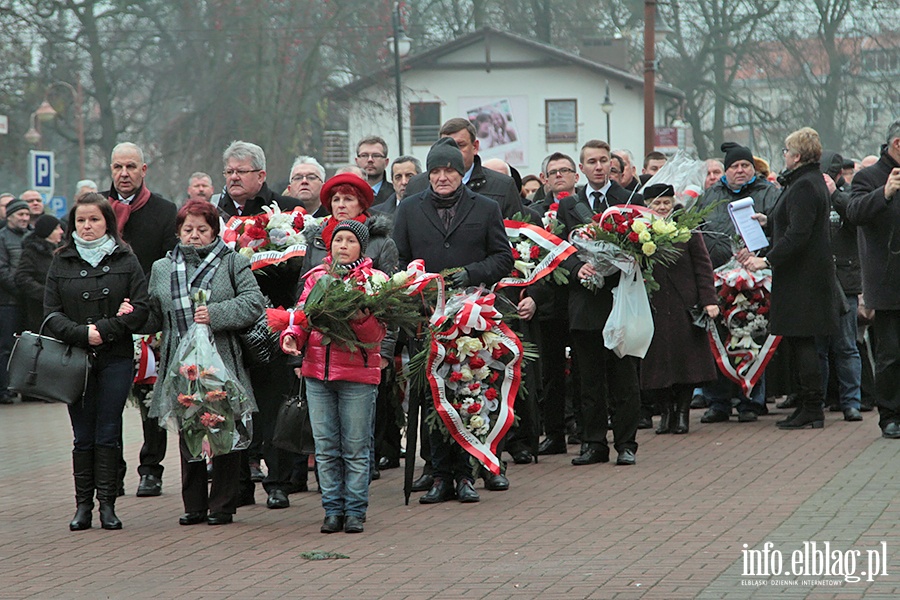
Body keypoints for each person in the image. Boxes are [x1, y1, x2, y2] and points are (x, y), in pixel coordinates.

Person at [393, 137, 513, 503]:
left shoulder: (486, 207)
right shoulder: (410, 209)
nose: (442, 177)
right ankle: (439, 474)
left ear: (461, 173)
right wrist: (416, 286)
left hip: (471, 316)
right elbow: (398, 261)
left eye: (449, 170)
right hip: (427, 316)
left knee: (467, 390)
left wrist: (471, 273)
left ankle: (466, 474)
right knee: (434, 396)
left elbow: (503, 258)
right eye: (436, 171)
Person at [144, 200, 265, 526]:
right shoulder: (162, 268)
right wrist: (135, 314)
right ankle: (194, 505)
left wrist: (216, 314)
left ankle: (223, 505)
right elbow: (155, 313)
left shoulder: (232, 263)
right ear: (178, 232)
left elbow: (254, 304)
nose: (194, 236)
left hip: (220, 358)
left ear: (214, 231)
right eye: (188, 230)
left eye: (202, 230)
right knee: (189, 429)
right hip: (179, 361)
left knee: (221, 427)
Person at [44, 193, 150, 530]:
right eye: (81, 221)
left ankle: (107, 504)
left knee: (108, 430)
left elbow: (142, 308)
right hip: (74, 359)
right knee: (82, 434)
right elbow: (50, 314)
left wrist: (104, 330)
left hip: (114, 357)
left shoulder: (125, 259)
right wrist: (81, 334)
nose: (87, 227)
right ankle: (82, 506)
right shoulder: (61, 261)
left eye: (94, 220)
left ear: (108, 222)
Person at [281, 220, 388, 534]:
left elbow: (377, 333)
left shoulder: (374, 281)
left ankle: (355, 510)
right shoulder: (316, 278)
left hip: (357, 375)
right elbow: (301, 315)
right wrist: (291, 337)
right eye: (338, 240)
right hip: (318, 373)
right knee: (326, 447)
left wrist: (360, 317)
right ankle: (332, 510)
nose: (342, 245)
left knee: (355, 447)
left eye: (350, 240)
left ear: (361, 247)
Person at [215, 140, 303, 509]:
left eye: (241, 171)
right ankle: (238, 483)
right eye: (229, 172)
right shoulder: (214, 213)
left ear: (261, 175)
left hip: (272, 324)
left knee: (275, 403)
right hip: (231, 325)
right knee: (234, 405)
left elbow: (299, 265)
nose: (234, 178)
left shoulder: (283, 212)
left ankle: (278, 481)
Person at [738, 127, 842, 430]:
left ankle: (812, 407)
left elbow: (799, 234)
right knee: (799, 341)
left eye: (786, 150)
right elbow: (796, 221)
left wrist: (766, 259)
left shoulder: (805, 185)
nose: (783, 154)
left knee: (803, 341)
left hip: (804, 278)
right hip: (802, 276)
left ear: (796, 156)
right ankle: (808, 406)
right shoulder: (804, 181)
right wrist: (769, 220)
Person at [558, 139, 643, 466]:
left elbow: (645, 247)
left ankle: (626, 444)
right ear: (581, 168)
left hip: (620, 298)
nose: (597, 166)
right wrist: (578, 267)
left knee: (624, 376)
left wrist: (628, 261)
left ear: (612, 164)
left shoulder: (629, 200)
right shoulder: (569, 205)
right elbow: (558, 250)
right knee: (588, 379)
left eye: (603, 160)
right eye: (590, 161)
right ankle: (593, 443)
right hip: (585, 302)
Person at [107, 142, 178, 499]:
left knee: (151, 400)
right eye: (118, 167)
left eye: (131, 166)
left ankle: (151, 469)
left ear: (144, 169)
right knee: (109, 402)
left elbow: (168, 265)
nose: (124, 174)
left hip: (149, 319)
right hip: (105, 321)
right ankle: (111, 472)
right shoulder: (97, 207)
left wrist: (147, 307)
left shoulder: (164, 210)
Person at [639, 184, 719, 434]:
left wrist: (709, 300)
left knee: (687, 361)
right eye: (656, 203)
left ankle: (682, 413)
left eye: (666, 202)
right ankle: (665, 413)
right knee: (656, 363)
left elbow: (702, 265)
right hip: (653, 304)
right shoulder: (639, 229)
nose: (662, 207)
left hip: (685, 303)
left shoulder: (686, 226)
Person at [847, 120, 900, 439]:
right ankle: (890, 415)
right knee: (890, 353)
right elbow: (854, 213)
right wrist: (885, 192)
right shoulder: (869, 177)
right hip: (888, 281)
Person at [817, 150, 863, 422]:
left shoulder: (849, 195)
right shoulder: (809, 195)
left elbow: (857, 217)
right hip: (818, 281)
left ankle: (852, 402)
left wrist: (834, 193)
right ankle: (817, 401)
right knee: (818, 348)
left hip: (844, 281)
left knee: (846, 346)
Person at [404, 117, 524, 218]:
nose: (454, 152)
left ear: (475, 146)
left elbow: (519, 235)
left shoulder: (503, 186)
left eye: (460, 145)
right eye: (447, 145)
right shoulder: (417, 185)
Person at [0, 199, 32, 404]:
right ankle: (5, 388)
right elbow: (2, 269)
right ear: (9, 215)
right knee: (6, 347)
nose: (25, 218)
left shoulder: (31, 236)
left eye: (27, 214)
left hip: (29, 301)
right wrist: (20, 289)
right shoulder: (2, 238)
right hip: (9, 301)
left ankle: (29, 389)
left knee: (28, 347)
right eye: (20, 214)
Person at [15, 214, 64, 334]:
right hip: (38, 311)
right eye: (57, 228)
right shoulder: (32, 251)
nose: (61, 231)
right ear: (48, 231)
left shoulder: (63, 250)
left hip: (62, 308)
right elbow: (22, 278)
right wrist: (45, 293)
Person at [355, 136, 394, 206]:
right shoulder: (343, 195)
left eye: (376, 155)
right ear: (356, 161)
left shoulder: (395, 195)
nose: (370, 160)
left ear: (386, 162)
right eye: (364, 155)